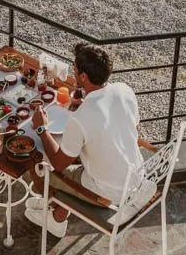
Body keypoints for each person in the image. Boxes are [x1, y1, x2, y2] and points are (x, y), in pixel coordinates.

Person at [25, 43, 144, 239]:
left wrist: (41, 128)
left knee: (39, 163)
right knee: (79, 153)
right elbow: (129, 127)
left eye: (75, 69)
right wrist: (83, 103)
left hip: (110, 192)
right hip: (136, 176)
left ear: (82, 77)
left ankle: (55, 217)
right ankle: (57, 209)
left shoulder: (81, 118)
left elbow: (58, 163)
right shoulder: (124, 90)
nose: (74, 71)